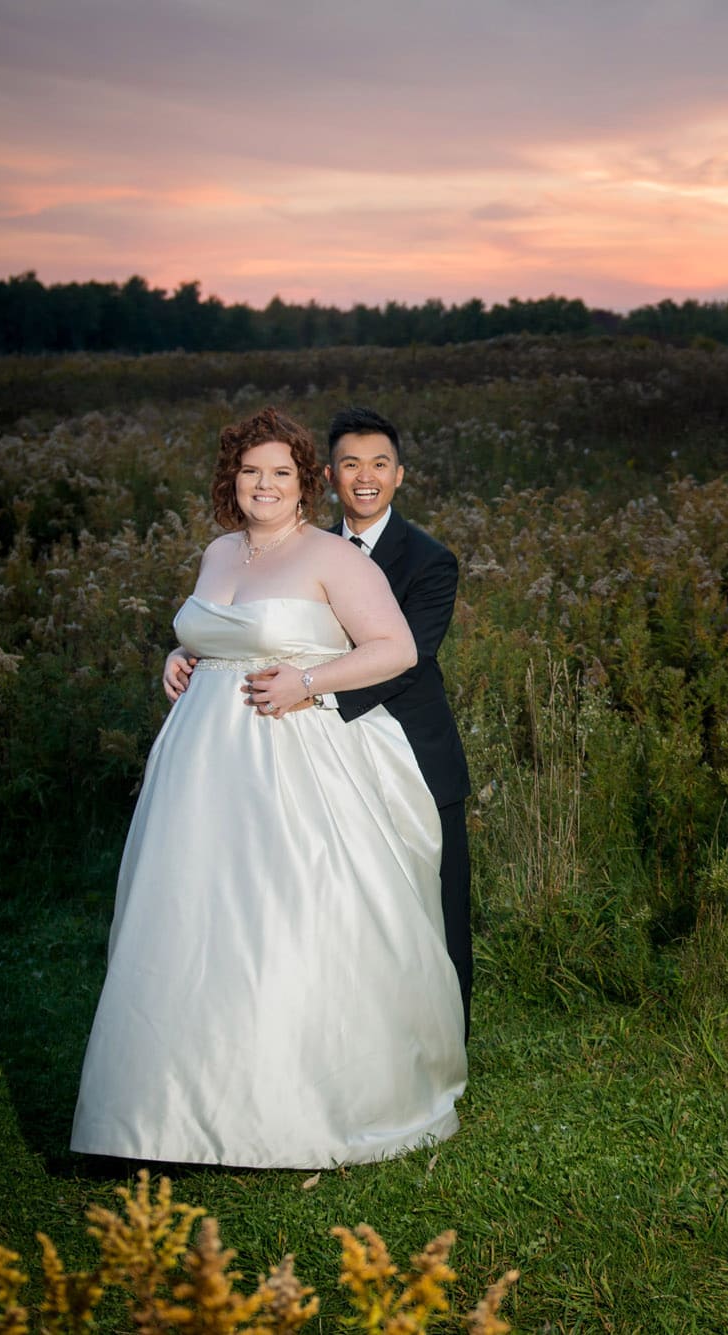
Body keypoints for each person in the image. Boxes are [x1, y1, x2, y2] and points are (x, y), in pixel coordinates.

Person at [70, 407, 466, 1170]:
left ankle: (292, 1105)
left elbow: (395, 648)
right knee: (191, 925)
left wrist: (307, 681)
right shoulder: (218, 553)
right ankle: (163, 1111)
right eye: (251, 470)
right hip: (200, 771)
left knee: (281, 923)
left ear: (304, 482)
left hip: (292, 764)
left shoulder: (332, 557)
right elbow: (213, 629)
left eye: (281, 472)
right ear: (232, 477)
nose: (265, 484)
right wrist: (179, 656)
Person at [243, 407, 475, 1041]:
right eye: (350, 464)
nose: (364, 477)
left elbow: (407, 660)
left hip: (410, 749)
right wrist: (191, 654)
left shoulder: (430, 561)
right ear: (328, 475)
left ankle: (448, 1043)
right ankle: (355, 1038)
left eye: (379, 464)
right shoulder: (304, 548)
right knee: (342, 898)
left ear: (399, 475)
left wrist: (313, 695)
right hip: (317, 757)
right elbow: (260, 628)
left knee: (438, 900)